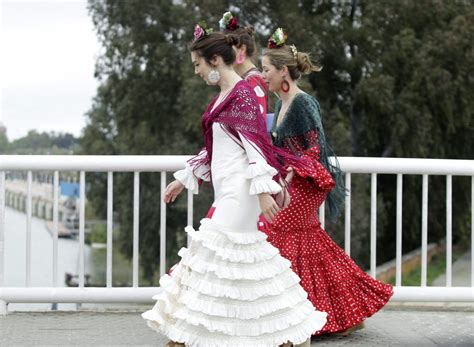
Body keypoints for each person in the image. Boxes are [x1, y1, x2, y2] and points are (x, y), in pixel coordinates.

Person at [142, 22, 327, 347]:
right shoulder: (226, 96)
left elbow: (254, 146)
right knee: (238, 261)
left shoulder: (241, 93)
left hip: (240, 192)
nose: (196, 71)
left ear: (215, 60)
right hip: (229, 189)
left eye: (198, 64)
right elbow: (217, 148)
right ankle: (281, 334)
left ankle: (189, 337)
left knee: (217, 258)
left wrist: (261, 191)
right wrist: (184, 179)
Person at [260, 28, 394, 336]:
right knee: (307, 241)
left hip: (308, 181)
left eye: (266, 69)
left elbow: (315, 145)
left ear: (283, 70)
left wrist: (295, 168)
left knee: (282, 235)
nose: (263, 75)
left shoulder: (303, 103)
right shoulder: (281, 104)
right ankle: (348, 309)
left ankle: (294, 317)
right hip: (294, 180)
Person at [219, 11, 268, 120]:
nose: (223, 54)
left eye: (227, 49)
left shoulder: (253, 80)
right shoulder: (247, 79)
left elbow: (257, 123)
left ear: (242, 50)